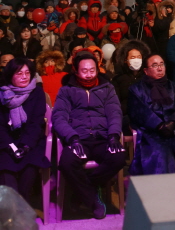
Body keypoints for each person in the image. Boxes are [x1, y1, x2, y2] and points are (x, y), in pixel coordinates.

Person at [52, 50, 125, 219]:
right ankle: (93, 200)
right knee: (66, 163)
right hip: (79, 139)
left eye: (92, 70)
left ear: (97, 69)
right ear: (76, 71)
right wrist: (72, 138)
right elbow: (59, 117)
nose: (89, 75)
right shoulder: (66, 90)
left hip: (102, 138)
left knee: (119, 157)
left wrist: (114, 135)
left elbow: (114, 113)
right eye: (84, 71)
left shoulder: (107, 88)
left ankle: (82, 191)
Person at [127, 54, 175, 174]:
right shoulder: (136, 89)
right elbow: (139, 111)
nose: (160, 68)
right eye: (155, 65)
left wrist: (173, 122)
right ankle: (163, 189)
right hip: (152, 132)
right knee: (161, 154)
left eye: (161, 64)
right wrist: (159, 125)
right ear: (146, 71)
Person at [0, 57, 49, 203]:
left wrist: (26, 146)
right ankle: (13, 213)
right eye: (19, 73)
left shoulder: (37, 93)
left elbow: (36, 123)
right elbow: (0, 126)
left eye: (27, 73)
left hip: (31, 142)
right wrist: (10, 146)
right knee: (6, 170)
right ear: (10, 75)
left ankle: (22, 211)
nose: (24, 77)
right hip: (7, 142)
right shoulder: (2, 94)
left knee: (29, 169)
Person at [112, 39, 151, 135]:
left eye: (139, 57)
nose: (136, 60)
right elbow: (115, 103)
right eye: (133, 57)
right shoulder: (118, 79)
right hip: (127, 117)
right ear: (126, 60)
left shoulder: (148, 77)